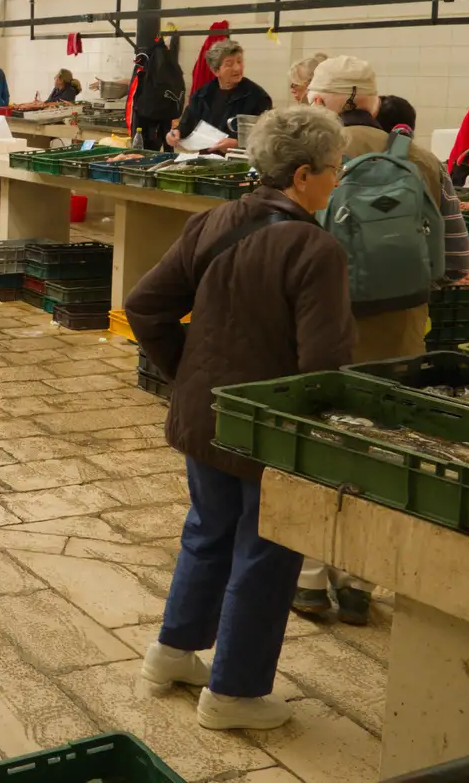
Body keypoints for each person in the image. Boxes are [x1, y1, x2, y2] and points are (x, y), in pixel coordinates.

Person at [126, 105, 355, 731]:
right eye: (335, 170)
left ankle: (172, 654)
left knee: (207, 531)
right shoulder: (316, 250)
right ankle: (235, 692)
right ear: (304, 175)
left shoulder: (213, 221)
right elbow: (325, 368)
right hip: (270, 434)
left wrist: (188, 376)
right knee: (267, 552)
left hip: (205, 419)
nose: (338, 181)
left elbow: (144, 305)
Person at [298, 57, 469, 624]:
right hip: (400, 326)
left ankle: (306, 579)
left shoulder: (310, 156)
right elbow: (456, 262)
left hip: (322, 321)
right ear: (374, 100)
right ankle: (359, 583)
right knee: (382, 443)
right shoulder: (421, 161)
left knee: (316, 436)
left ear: (325, 100)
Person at [168, 40, 271, 153]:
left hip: (240, 163)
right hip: (206, 161)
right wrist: (176, 133)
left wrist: (237, 144)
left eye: (239, 61)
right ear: (216, 71)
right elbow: (186, 125)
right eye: (229, 64)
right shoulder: (202, 95)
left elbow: (264, 138)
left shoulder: (258, 97)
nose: (237, 68)